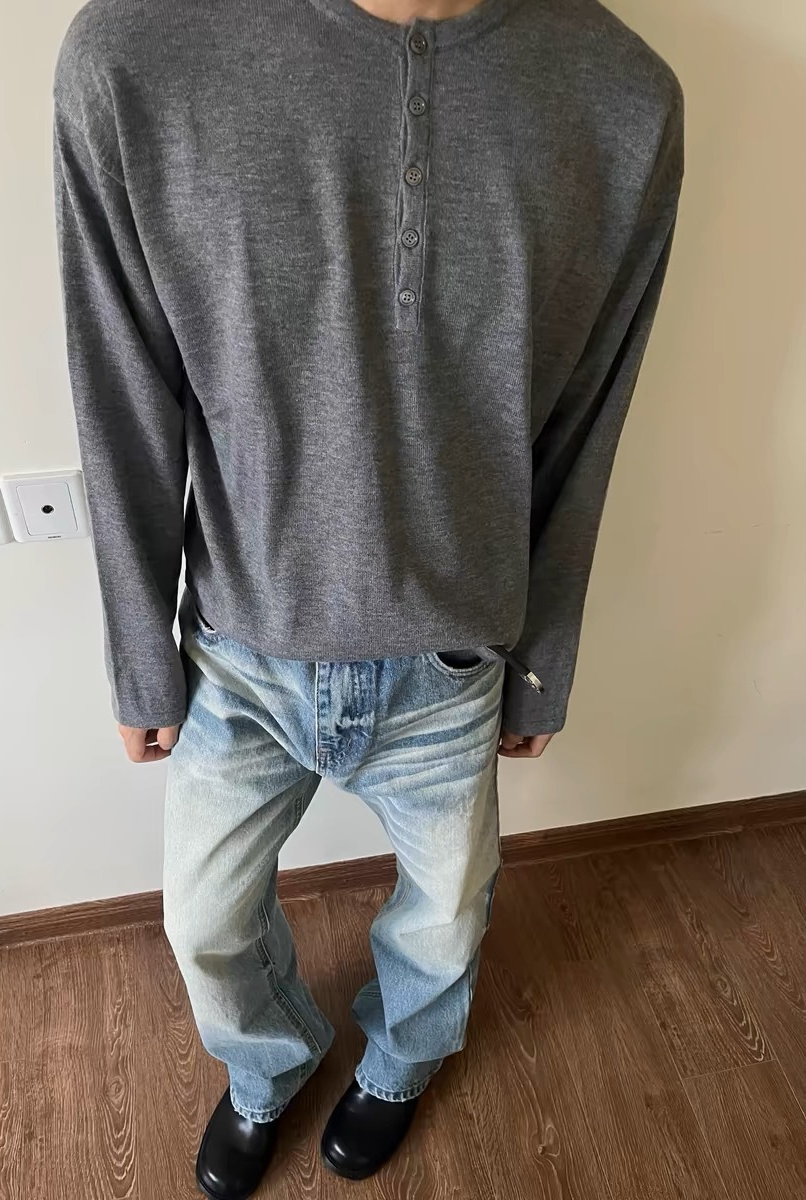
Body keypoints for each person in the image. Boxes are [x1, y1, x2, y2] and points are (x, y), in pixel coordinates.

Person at [53, 0, 683, 1194]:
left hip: (454, 657)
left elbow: (585, 422)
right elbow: (121, 387)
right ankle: (267, 1069)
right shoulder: (137, 56)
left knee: (446, 917)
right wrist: (139, 654)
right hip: (239, 646)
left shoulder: (621, 100)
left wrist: (542, 660)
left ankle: (398, 1066)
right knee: (204, 922)